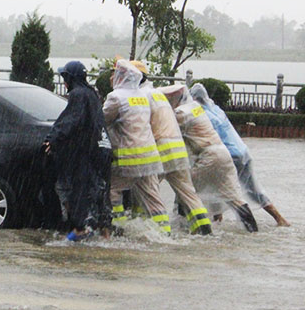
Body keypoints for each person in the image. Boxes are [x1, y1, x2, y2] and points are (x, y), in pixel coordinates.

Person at [159, 84, 258, 233]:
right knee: (235, 198)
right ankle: (253, 231)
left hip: (207, 157)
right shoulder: (195, 107)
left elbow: (166, 131)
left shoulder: (181, 113)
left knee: (186, 191)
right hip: (223, 155)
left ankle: (183, 228)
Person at [190, 83, 289, 226]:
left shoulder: (201, 114)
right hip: (243, 152)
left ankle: (226, 221)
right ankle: (280, 219)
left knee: (224, 190)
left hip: (228, 156)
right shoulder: (216, 109)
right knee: (253, 190)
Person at [131, 61, 212, 235]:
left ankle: (158, 232)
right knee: (188, 194)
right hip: (178, 150)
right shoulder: (157, 94)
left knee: (145, 190)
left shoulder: (140, 96)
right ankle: (205, 231)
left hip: (160, 150)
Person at [44, 61, 113, 241]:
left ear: (70, 78)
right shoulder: (93, 94)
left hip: (88, 154)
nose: (64, 83)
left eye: (64, 78)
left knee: (81, 194)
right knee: (101, 196)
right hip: (103, 151)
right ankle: (106, 236)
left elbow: (70, 120)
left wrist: (52, 139)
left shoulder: (78, 95)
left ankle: (79, 232)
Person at [103, 59, 171, 235]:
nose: (111, 77)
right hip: (150, 157)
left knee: (114, 190)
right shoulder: (142, 96)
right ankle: (165, 232)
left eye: (114, 73)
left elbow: (102, 120)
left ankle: (119, 228)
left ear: (121, 76)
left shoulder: (115, 97)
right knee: (152, 197)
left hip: (129, 158)